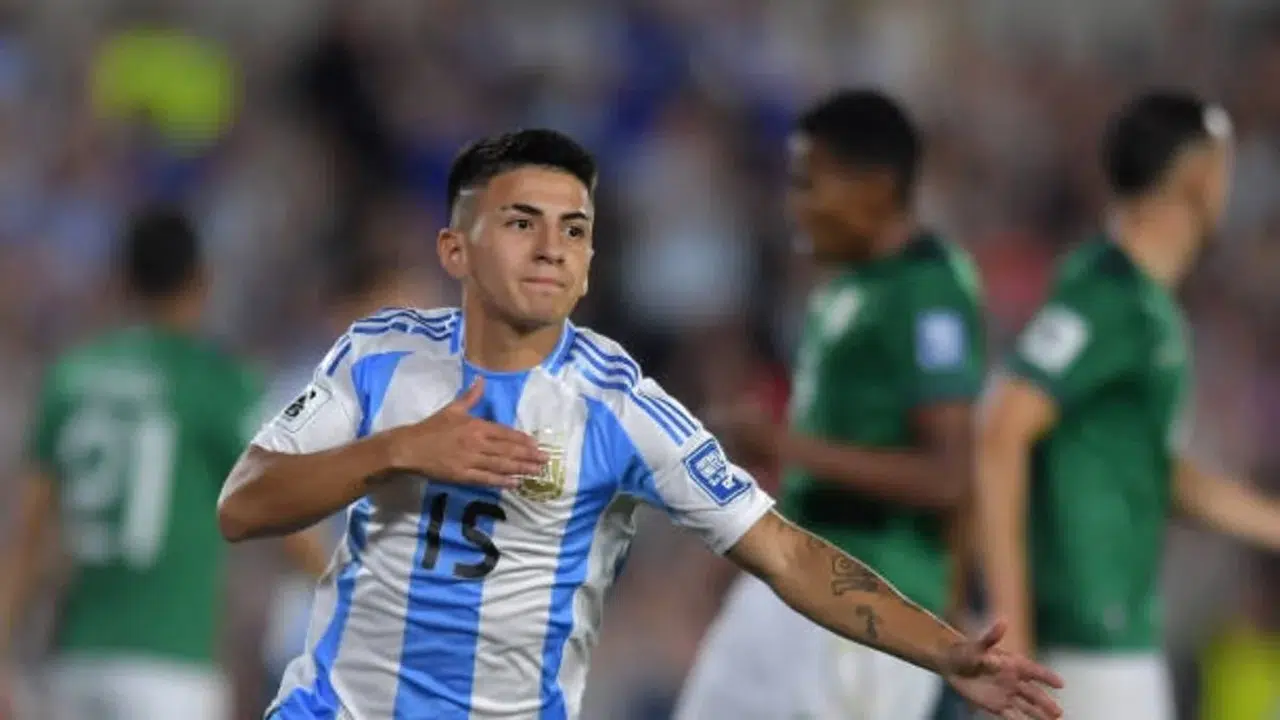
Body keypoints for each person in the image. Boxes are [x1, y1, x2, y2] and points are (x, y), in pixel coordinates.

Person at [218, 128, 1063, 720]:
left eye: (573, 230)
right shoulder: (378, 355)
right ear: (455, 250)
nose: (551, 248)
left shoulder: (619, 407)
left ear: (589, 263)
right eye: (521, 223)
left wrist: (943, 650)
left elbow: (786, 553)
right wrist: (399, 450)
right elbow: (244, 502)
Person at [675, 89, 986, 720]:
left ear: (876, 187)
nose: (795, 204)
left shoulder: (929, 291)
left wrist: (781, 445)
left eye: (809, 183)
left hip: (871, 597)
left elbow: (949, 475)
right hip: (793, 575)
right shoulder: (844, 289)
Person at [978, 90, 1280, 719]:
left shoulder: (1128, 295)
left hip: (1106, 637)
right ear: (1199, 178)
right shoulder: (1114, 300)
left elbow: (1147, 469)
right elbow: (1002, 427)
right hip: (1085, 640)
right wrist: (1013, 631)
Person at [0, 205, 326, 720]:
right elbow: (285, 512)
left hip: (76, 658)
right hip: (170, 662)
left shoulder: (72, 377)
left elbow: (28, 535)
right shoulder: (215, 383)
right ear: (202, 281)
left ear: (122, 280)